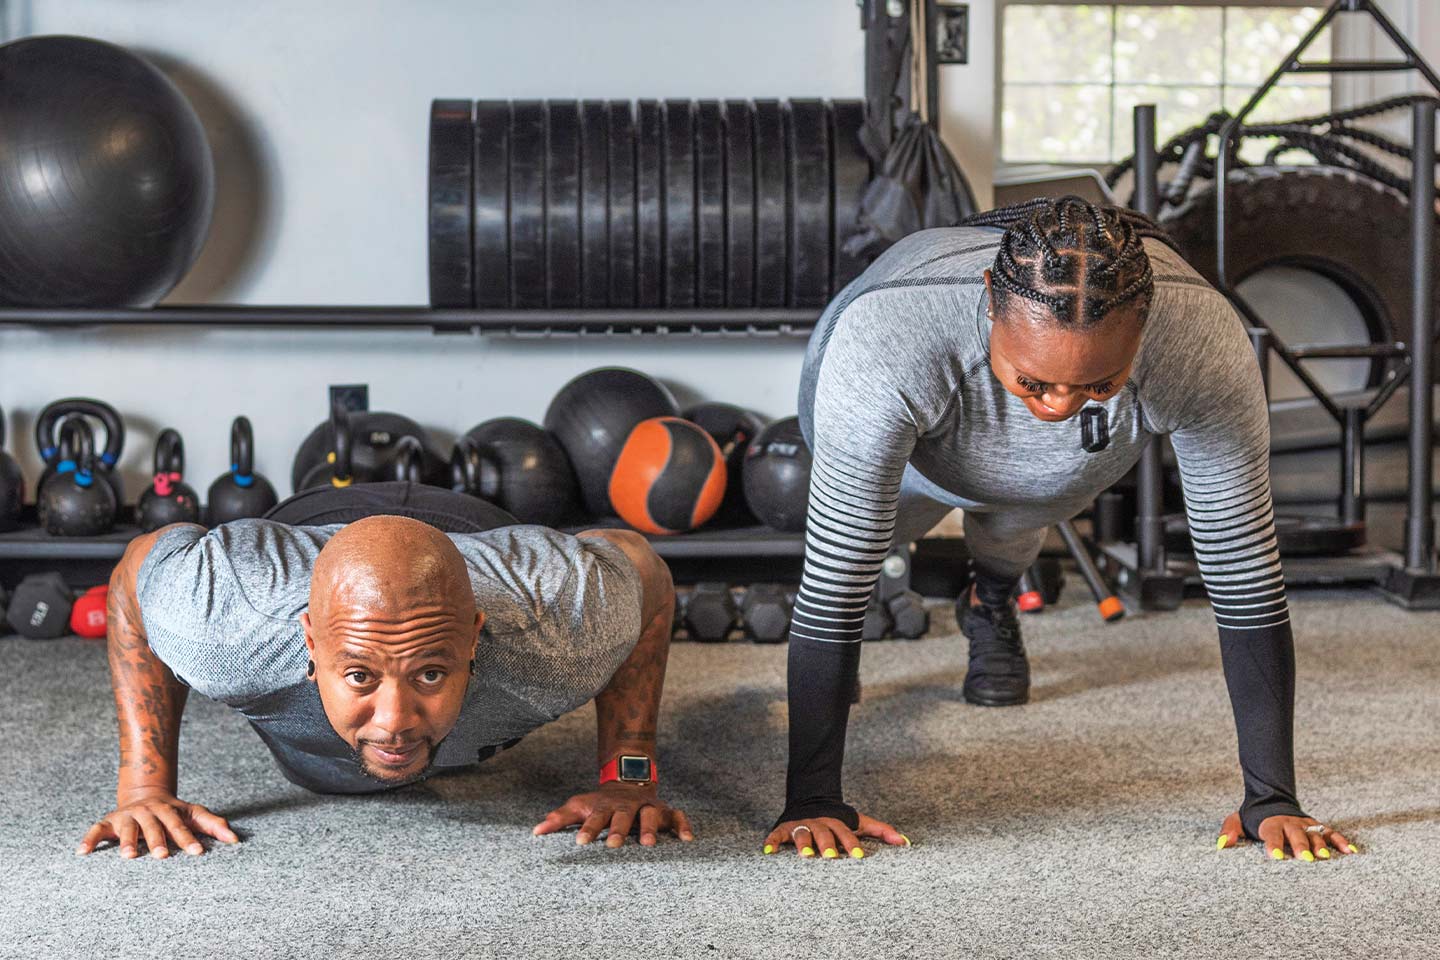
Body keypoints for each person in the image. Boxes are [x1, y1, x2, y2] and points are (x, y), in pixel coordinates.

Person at [764, 197, 1355, 864]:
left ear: (1147, 322)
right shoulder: (888, 338)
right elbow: (831, 578)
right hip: (908, 433)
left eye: (1096, 384)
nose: (1056, 409)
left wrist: (1273, 798)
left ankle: (990, 599)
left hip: (1047, 480)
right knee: (860, 554)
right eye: (1035, 383)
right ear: (991, 299)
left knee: (1027, 504)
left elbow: (1242, 568)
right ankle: (860, 643)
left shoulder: (1200, 338)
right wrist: (812, 798)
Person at [76, 482, 691, 860]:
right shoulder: (229, 619)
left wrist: (629, 777)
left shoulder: (555, 628)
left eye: (428, 675)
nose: (394, 722)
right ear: (310, 641)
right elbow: (135, 574)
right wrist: (145, 789)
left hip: (477, 532)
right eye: (361, 676)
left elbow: (649, 574)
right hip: (307, 521)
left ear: (474, 637)